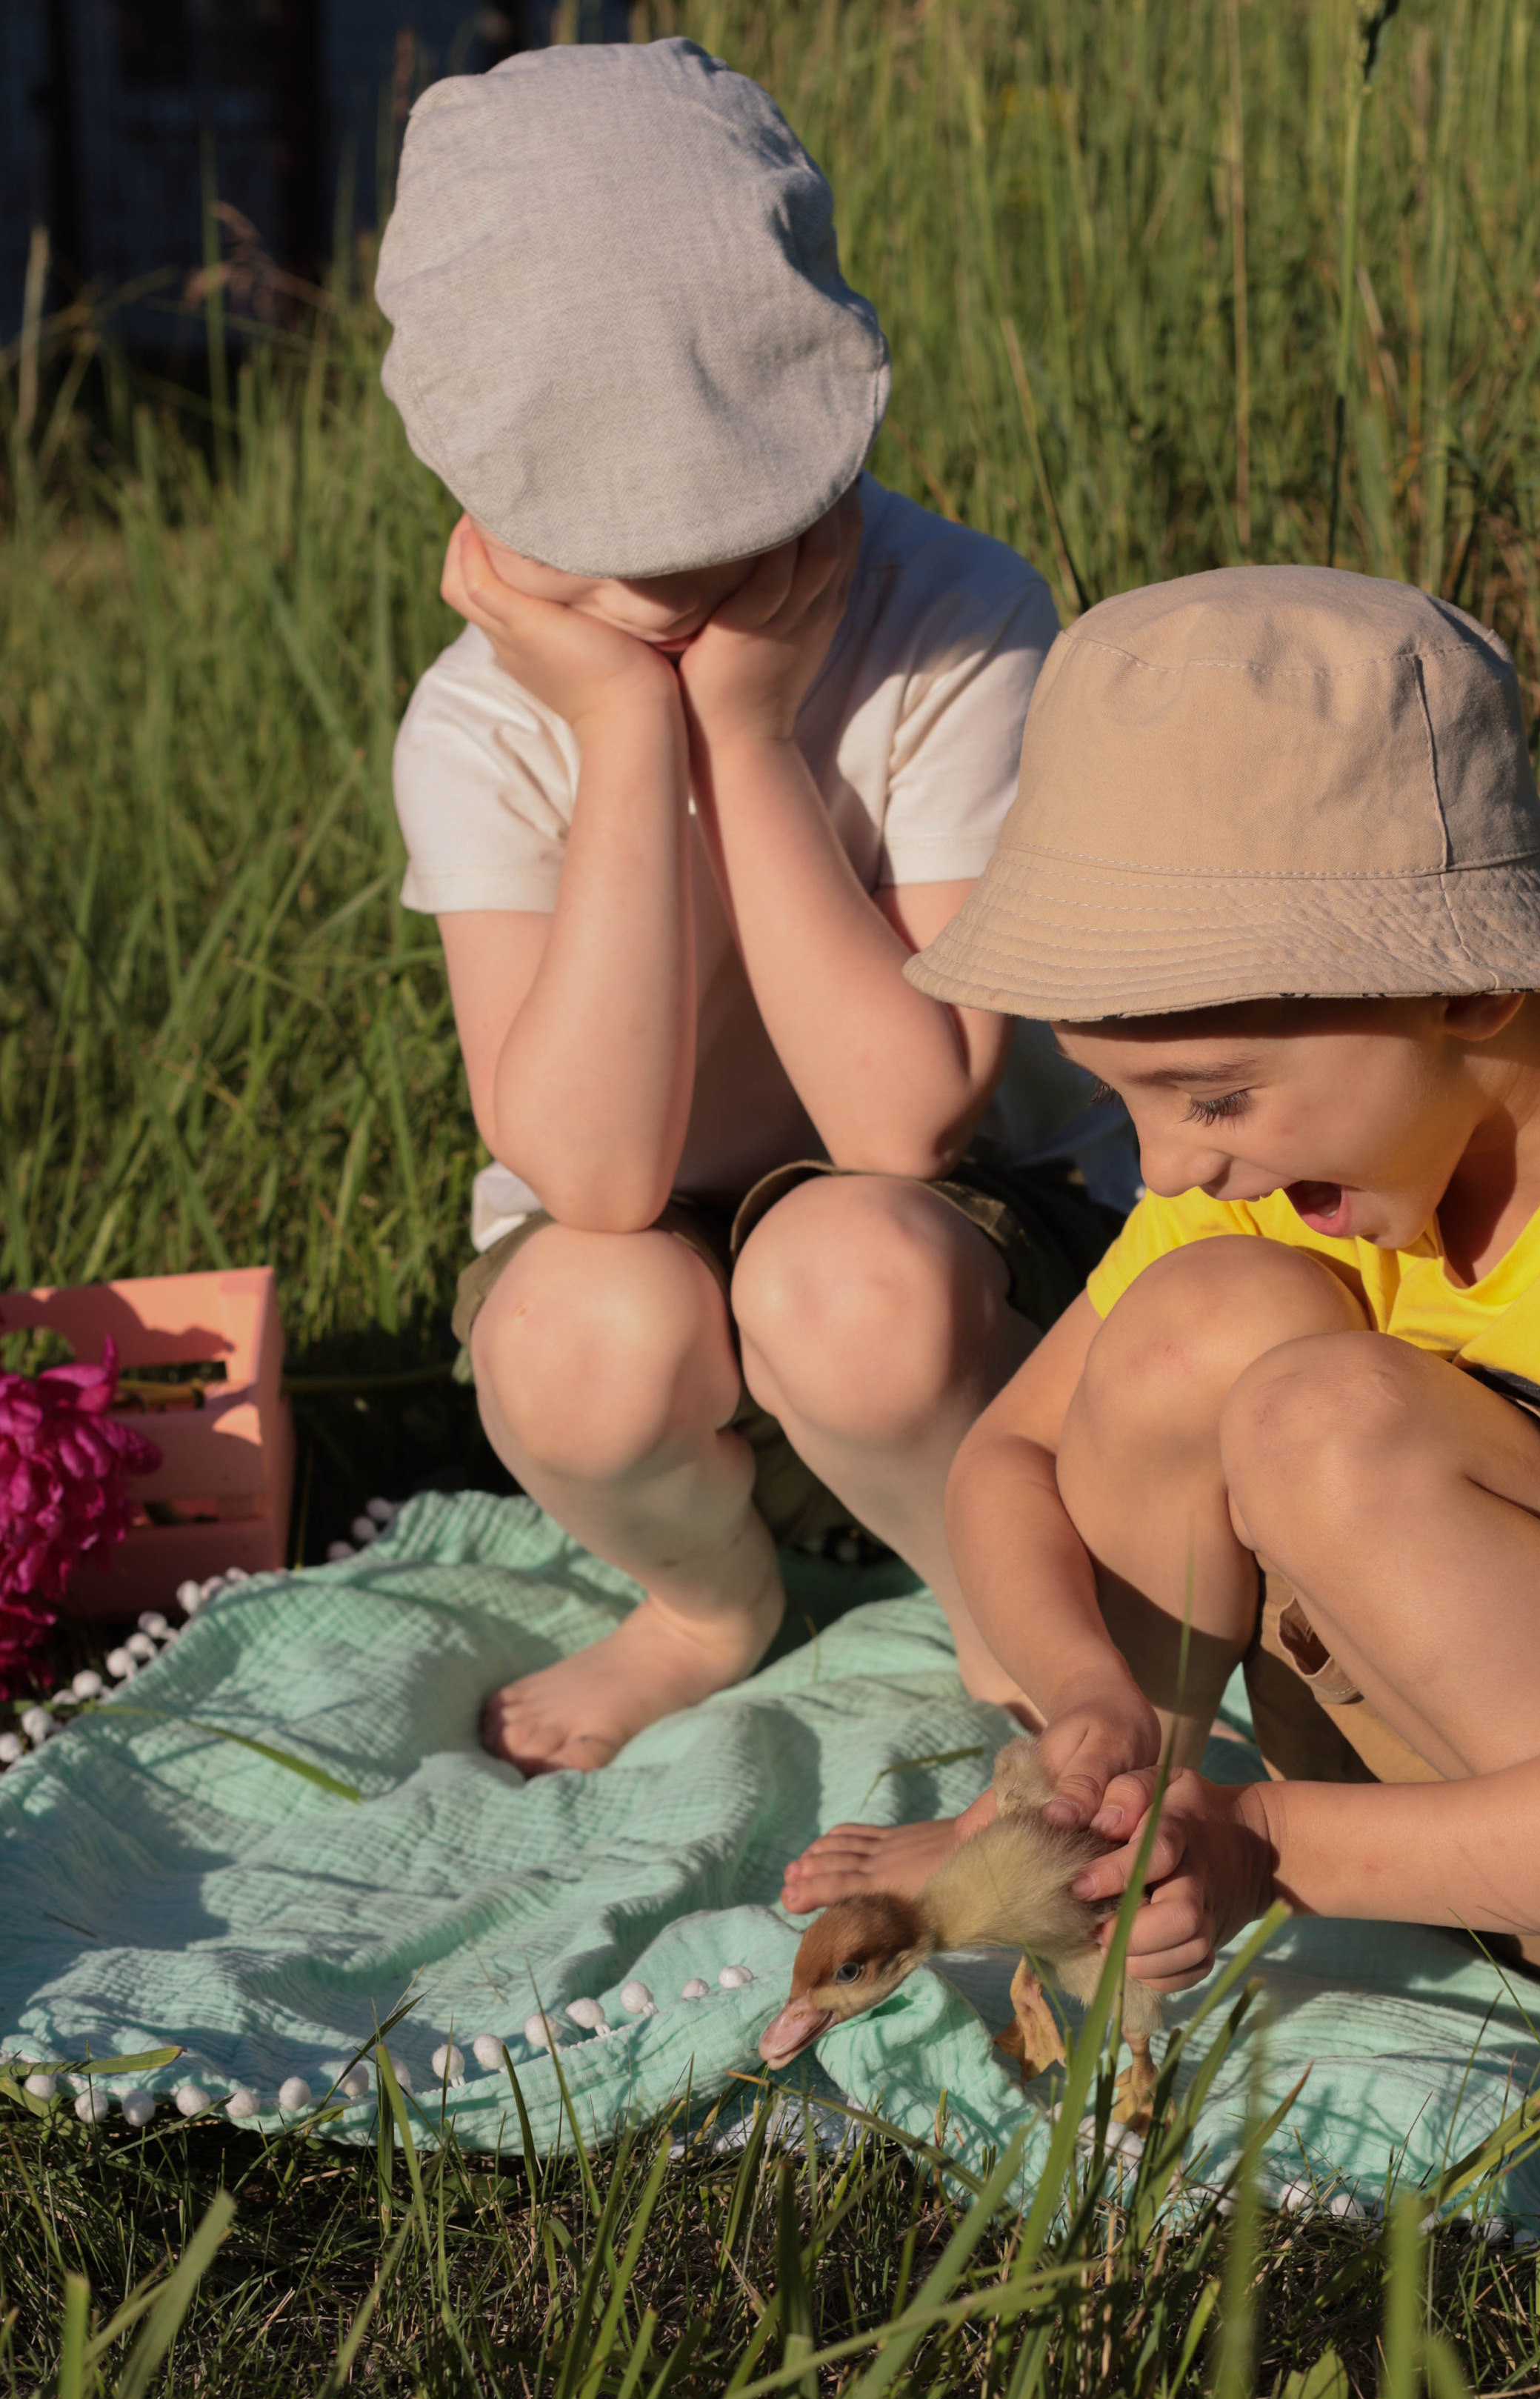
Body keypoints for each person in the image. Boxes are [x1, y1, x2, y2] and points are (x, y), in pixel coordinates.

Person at [789, 565, 1540, 2196]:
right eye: (1129, 1098)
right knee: (1204, 1317)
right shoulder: (1297, 1154)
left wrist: (1274, 1846)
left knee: (1318, 1419)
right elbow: (1011, 1456)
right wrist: (1089, 1702)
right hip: (1416, 1780)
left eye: (1211, 1094)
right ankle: (1099, 1836)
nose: (1168, 1162)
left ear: (1470, 989)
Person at [376, 37, 1134, 1774]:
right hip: (646, 1233)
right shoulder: (489, 721)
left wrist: (747, 727)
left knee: (849, 1277)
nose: (652, 583)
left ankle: (1005, 1598)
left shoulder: (956, 621)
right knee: (576, 1332)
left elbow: (901, 1121)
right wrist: (632, 734)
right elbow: (591, 1179)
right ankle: (711, 1600)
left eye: (714, 514)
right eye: (590, 527)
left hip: (960, 1252)